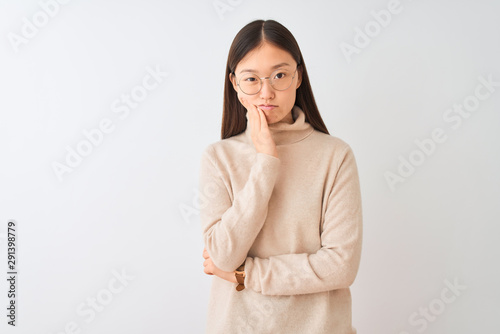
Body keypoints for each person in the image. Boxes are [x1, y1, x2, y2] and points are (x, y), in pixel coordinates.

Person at [199, 19, 363, 334]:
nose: (267, 92)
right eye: (251, 79)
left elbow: (341, 266)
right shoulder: (219, 158)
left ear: (298, 76)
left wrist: (246, 274)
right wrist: (266, 161)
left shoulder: (335, 156)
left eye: (279, 75)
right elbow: (223, 255)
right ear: (235, 84)